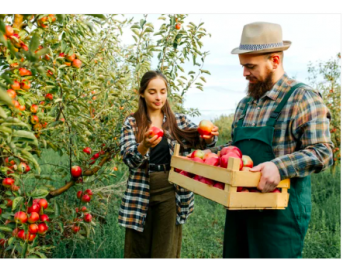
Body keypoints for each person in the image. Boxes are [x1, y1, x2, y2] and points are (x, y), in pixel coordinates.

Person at [210, 22, 334, 258]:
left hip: (279, 216)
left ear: (275, 61)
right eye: (243, 66)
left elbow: (323, 152)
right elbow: (236, 150)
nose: (244, 73)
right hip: (239, 211)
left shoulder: (302, 98)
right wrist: (211, 152)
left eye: (250, 66)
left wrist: (278, 166)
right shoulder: (246, 104)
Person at [118, 70, 218, 258]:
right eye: (152, 91)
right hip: (141, 190)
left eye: (163, 91)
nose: (158, 97)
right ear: (142, 93)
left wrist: (209, 136)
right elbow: (129, 159)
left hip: (170, 190)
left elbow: (201, 143)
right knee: (137, 250)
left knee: (165, 251)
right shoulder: (132, 122)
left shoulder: (178, 121)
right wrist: (144, 145)